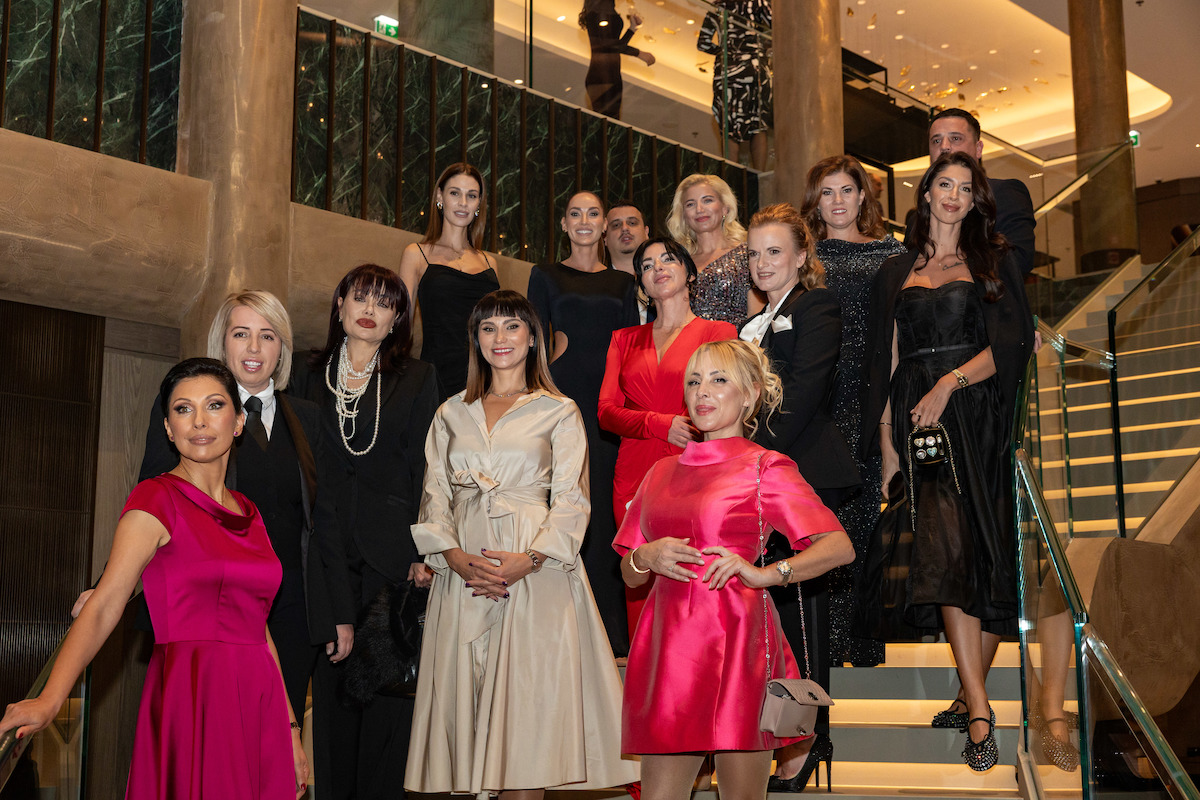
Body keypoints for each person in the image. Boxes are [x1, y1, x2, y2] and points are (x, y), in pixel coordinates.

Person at [2, 358, 308, 799]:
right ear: (168, 428)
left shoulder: (251, 512)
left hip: (260, 700)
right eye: (183, 409)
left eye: (214, 405)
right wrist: (50, 699)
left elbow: (259, 628)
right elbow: (106, 604)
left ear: (239, 421)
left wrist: (290, 727)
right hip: (193, 695)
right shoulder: (156, 498)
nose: (199, 421)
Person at [74, 291, 350, 768]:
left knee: (278, 748)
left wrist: (338, 610)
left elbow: (324, 518)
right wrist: (106, 585)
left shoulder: (307, 416)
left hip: (293, 607)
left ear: (282, 349)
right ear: (223, 342)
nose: (254, 348)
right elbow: (150, 498)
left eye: (268, 336)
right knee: (210, 747)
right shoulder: (190, 411)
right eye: (241, 334)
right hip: (214, 606)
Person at [405, 290, 637, 796]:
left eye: (512, 326)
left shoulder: (559, 410)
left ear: (533, 338)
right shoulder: (450, 412)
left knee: (527, 733)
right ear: (475, 340)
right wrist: (453, 558)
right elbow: (434, 495)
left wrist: (528, 560)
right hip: (462, 578)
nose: (500, 338)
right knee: (465, 723)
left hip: (536, 577)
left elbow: (573, 500)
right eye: (488, 328)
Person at [613, 339, 854, 800]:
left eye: (718, 380)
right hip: (669, 645)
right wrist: (645, 557)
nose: (702, 391)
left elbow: (838, 546)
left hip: (737, 640)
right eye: (693, 381)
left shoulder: (764, 467)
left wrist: (767, 574)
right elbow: (629, 574)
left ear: (750, 395)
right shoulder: (660, 472)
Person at [860, 151, 1033, 770]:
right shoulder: (895, 269)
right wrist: (886, 443)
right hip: (916, 419)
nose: (954, 194)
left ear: (975, 199)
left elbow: (1011, 343)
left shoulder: (993, 259)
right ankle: (981, 706)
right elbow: (886, 356)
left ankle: (966, 694)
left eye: (965, 186)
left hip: (976, 413)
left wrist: (949, 383)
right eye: (944, 184)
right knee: (945, 548)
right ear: (927, 192)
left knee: (983, 550)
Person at [292, 264, 439, 800]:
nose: (370, 309)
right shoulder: (306, 372)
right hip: (321, 554)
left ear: (398, 317)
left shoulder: (417, 377)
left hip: (392, 557)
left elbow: (428, 467)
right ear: (340, 305)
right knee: (331, 702)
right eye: (360, 297)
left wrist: (426, 548)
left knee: (385, 705)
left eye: (384, 302)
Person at [740, 203, 859, 791]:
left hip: (801, 469)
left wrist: (752, 455)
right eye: (754, 253)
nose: (763, 263)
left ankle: (811, 738)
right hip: (760, 475)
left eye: (775, 251)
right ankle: (785, 735)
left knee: (801, 613)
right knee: (772, 612)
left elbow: (807, 389)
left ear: (801, 255)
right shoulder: (752, 322)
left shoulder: (816, 306)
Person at [599, 237, 737, 637]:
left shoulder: (718, 331)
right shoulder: (624, 339)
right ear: (641, 282)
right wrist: (659, 424)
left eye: (667, 259)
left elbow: (728, 399)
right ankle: (645, 669)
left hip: (694, 467)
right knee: (639, 573)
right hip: (633, 471)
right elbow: (605, 412)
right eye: (646, 265)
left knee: (691, 571)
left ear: (689, 272)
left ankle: (691, 667)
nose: (657, 268)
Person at [801, 155, 906, 668]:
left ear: (863, 196)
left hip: (869, 399)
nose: (837, 201)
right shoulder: (802, 255)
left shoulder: (892, 254)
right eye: (827, 192)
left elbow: (900, 335)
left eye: (846, 190)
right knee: (815, 519)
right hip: (814, 402)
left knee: (863, 521)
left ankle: (858, 640)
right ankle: (819, 643)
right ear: (815, 201)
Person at [528, 191, 639, 655]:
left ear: (604, 224)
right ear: (564, 223)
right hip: (563, 399)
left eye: (593, 213)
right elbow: (533, 343)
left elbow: (631, 346)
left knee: (606, 510)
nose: (585, 220)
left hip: (609, 405)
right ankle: (561, 631)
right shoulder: (545, 275)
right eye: (575, 213)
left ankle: (610, 634)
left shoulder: (623, 282)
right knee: (563, 500)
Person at [399, 162, 500, 401]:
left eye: (471, 195)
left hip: (486, 378)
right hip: (437, 377)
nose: (463, 202)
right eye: (455, 193)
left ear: (479, 204)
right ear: (439, 196)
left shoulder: (490, 263)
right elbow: (403, 326)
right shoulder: (416, 254)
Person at [905, 108, 1036, 275]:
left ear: (978, 149)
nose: (944, 147)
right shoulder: (916, 218)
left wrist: (949, 271)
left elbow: (1019, 261)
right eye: (936, 141)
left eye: (955, 138)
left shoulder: (1004, 193)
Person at [666, 173, 762, 326]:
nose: (699, 209)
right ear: (683, 215)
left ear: (725, 208)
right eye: (690, 204)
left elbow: (759, 319)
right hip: (687, 340)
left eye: (707, 200)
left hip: (737, 340)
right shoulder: (677, 263)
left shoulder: (747, 254)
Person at [696, 0, 773, 171]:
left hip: (727, 71)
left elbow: (703, 43)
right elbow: (778, 29)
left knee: (728, 127)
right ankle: (760, 176)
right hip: (754, 67)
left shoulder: (718, 5)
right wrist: (761, 48)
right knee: (758, 124)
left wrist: (726, 52)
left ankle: (731, 178)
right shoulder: (758, 2)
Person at [580, 0, 655, 120]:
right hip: (602, 76)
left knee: (611, 123)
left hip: (610, 75)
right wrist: (638, 53)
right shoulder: (599, 9)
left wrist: (632, 29)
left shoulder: (605, 7)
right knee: (607, 123)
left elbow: (613, 46)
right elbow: (607, 44)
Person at [605, 199, 652, 322]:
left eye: (632, 223)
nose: (625, 228)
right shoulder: (595, 289)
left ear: (646, 232)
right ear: (605, 238)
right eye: (616, 225)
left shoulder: (665, 282)